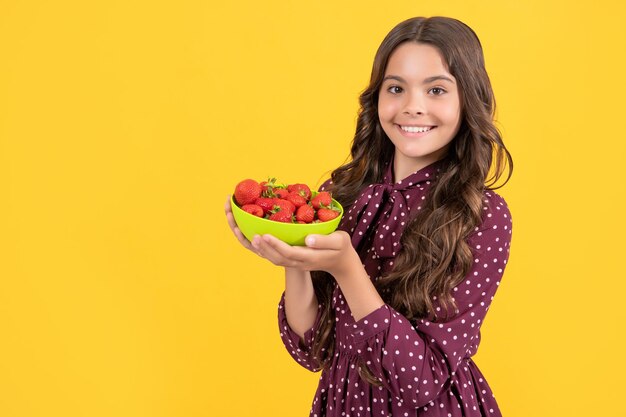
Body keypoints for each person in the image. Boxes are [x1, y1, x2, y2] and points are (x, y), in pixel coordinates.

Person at [225, 16, 513, 417]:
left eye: (436, 90)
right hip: (344, 405)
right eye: (396, 88)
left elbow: (422, 382)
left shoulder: (481, 216)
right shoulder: (342, 195)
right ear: (376, 97)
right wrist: (294, 256)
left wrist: (348, 269)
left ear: (468, 100)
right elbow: (311, 349)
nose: (413, 106)